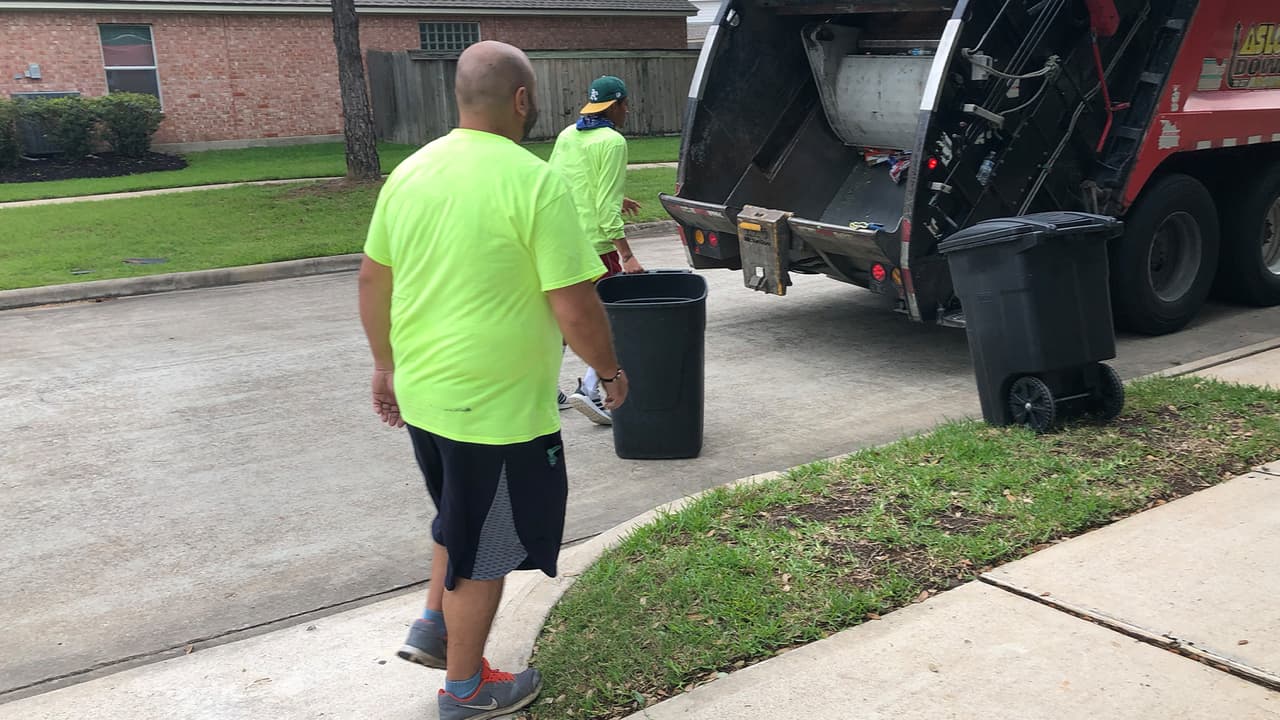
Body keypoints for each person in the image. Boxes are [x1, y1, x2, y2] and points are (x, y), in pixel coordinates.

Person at [357, 40, 628, 720]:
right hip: (495, 412)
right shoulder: (533, 181)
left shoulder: (411, 172)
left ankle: (433, 623)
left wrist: (385, 366)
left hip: (425, 397)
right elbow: (574, 304)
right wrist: (609, 370)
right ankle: (465, 689)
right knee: (488, 548)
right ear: (521, 99)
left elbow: (371, 280)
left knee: (458, 513)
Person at [549, 75, 644, 426]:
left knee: (561, 317)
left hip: (562, 241)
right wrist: (626, 254)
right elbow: (604, 209)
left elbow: (560, 184)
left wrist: (619, 198)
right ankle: (591, 389)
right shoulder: (613, 142)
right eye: (625, 104)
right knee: (608, 319)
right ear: (615, 106)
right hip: (597, 247)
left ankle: (545, 388)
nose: (627, 111)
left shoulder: (567, 135)